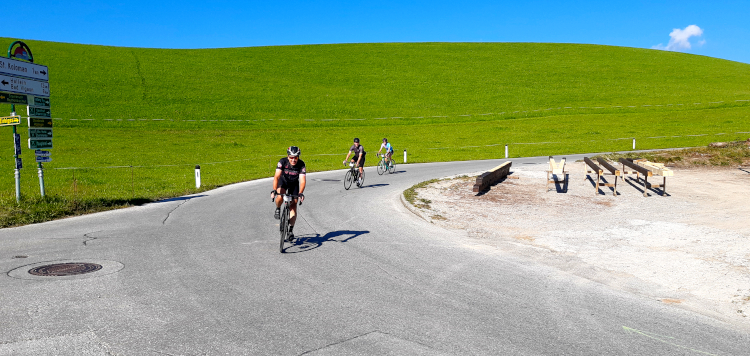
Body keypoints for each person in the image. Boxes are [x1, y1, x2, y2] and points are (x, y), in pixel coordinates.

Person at [272, 146, 306, 241]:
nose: (293, 160)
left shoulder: (301, 164)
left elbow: (302, 181)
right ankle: (278, 208)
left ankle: (290, 230)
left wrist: (300, 193)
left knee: (293, 205)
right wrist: (274, 190)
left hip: (294, 184)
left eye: (296, 157)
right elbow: (277, 177)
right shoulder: (282, 162)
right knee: (280, 197)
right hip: (283, 181)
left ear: (298, 157)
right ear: (288, 156)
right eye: (291, 157)